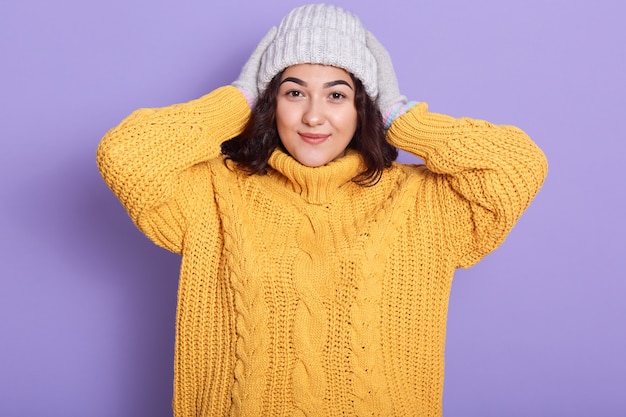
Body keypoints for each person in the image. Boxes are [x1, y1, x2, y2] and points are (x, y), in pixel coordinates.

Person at [96, 4, 548, 416]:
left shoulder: (422, 202)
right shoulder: (212, 191)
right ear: (270, 103)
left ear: (361, 107)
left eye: (336, 95)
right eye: (294, 93)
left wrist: (401, 117)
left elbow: (518, 164)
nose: (314, 116)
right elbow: (124, 154)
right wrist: (236, 99)